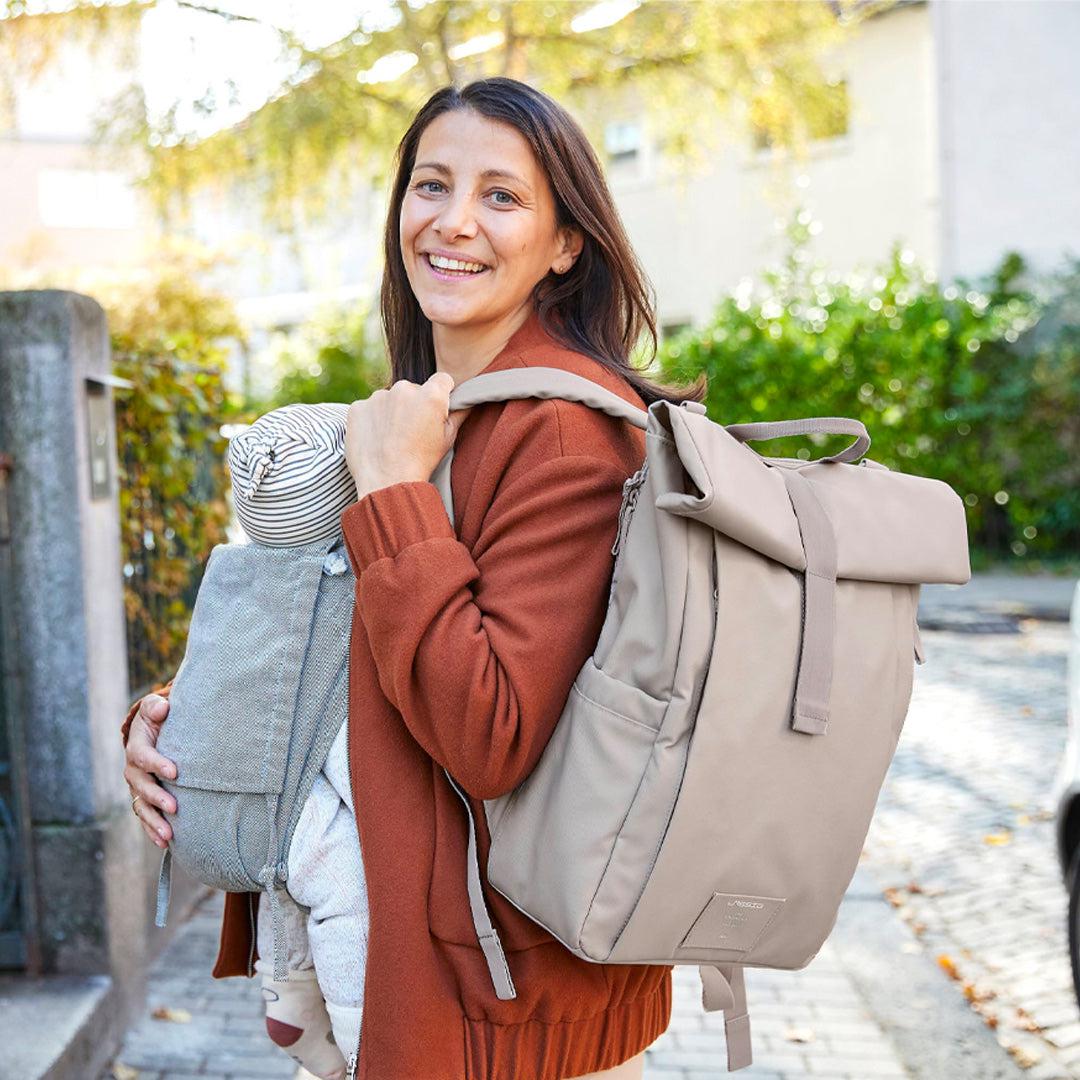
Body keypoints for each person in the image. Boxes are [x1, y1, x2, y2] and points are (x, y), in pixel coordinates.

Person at [122, 75, 707, 1080]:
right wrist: (173, 722)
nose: (453, 221)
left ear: (566, 244)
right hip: (430, 987)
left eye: (501, 196)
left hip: (505, 1019)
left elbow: (491, 734)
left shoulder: (563, 436)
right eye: (432, 185)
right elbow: (354, 648)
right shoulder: (431, 414)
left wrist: (394, 490)